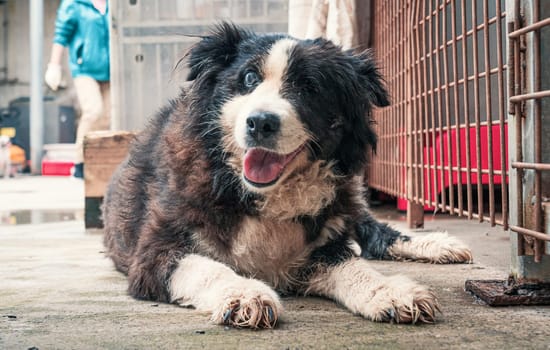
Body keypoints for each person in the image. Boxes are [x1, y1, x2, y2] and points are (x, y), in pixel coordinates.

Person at [45, 0, 110, 179]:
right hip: (84, 69)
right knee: (93, 111)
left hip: (111, 70)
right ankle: (80, 163)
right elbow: (61, 35)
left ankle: (99, 163)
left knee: (107, 118)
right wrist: (54, 65)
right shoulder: (73, 4)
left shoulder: (113, 3)